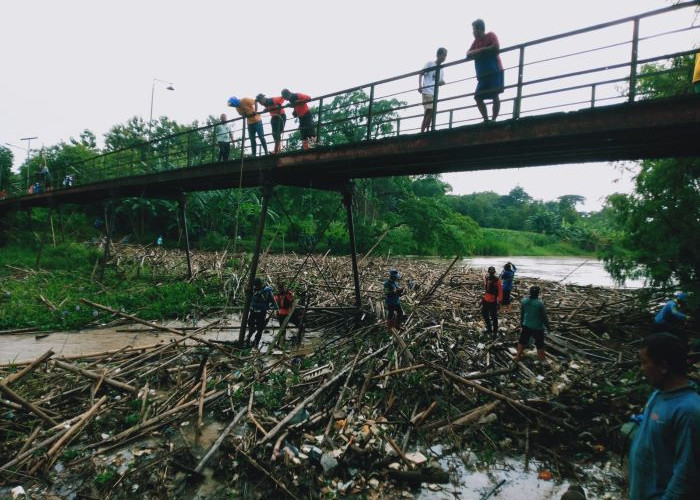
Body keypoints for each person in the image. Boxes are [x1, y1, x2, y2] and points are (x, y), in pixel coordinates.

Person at [628, 333, 700, 499]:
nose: (641, 368)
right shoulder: (659, 393)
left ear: (663, 367)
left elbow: (687, 476)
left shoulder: (689, 411)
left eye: (644, 362)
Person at [466, 19, 504, 122]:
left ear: (479, 29)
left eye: (474, 29)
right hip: (483, 75)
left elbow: (496, 47)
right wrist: (474, 52)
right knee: (478, 97)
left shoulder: (490, 35)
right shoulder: (476, 42)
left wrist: (480, 50)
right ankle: (486, 119)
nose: (473, 32)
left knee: (495, 94)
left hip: (494, 70)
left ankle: (494, 119)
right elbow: (468, 54)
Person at [515, 285, 550, 362]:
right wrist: (548, 327)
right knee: (540, 344)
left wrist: (521, 323)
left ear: (530, 292)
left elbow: (522, 314)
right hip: (537, 327)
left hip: (526, 325)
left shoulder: (524, 301)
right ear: (538, 293)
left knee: (522, 341)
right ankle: (542, 360)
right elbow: (544, 317)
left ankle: (518, 356)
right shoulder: (540, 303)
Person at [418, 47, 447, 133]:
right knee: (430, 111)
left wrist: (442, 83)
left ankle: (425, 130)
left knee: (429, 112)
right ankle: (424, 131)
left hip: (434, 93)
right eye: (443, 55)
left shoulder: (441, 69)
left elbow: (439, 82)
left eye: (445, 56)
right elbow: (421, 73)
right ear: (438, 55)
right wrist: (420, 86)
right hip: (427, 91)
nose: (444, 58)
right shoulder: (430, 63)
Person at [245, 277, 277, 348]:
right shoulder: (253, 290)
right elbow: (247, 294)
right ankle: (248, 339)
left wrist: (275, 307)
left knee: (260, 328)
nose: (256, 286)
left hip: (262, 311)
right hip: (253, 311)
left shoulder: (267, 290)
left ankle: (256, 342)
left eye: (257, 285)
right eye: (255, 285)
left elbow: (273, 301)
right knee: (251, 326)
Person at [481, 266, 503, 335]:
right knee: (486, 315)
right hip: (486, 299)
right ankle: (490, 329)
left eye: (492, 271)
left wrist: (499, 302)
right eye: (490, 271)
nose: (491, 272)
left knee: (494, 317)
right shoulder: (487, 278)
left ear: (494, 272)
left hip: (493, 301)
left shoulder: (497, 280)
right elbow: (487, 289)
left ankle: (495, 331)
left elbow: (500, 291)